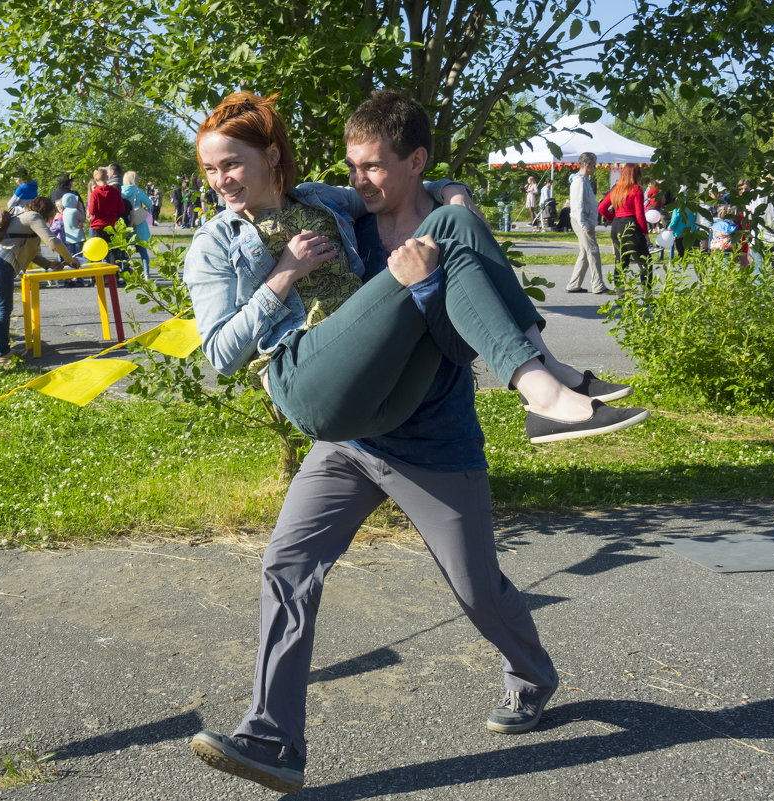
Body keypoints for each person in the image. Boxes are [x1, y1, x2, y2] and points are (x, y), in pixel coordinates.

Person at [187, 92, 644, 792]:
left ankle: (532, 673)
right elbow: (223, 350)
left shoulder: (340, 209)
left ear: (414, 164)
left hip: (431, 435)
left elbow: (453, 340)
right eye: (356, 168)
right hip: (349, 435)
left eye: (374, 168)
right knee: (287, 562)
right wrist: (286, 275)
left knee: (476, 588)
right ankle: (272, 737)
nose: (365, 181)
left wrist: (453, 206)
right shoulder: (329, 225)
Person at [0, 195, 78, 364]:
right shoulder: (33, 217)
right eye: (51, 216)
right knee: (3, 309)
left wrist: (48, 264)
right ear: (45, 212)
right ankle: (3, 353)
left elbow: (32, 253)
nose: (49, 221)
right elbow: (53, 241)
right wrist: (70, 259)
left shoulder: (20, 217)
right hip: (0, 263)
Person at [598, 164, 651, 288]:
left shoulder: (616, 189)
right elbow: (639, 215)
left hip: (616, 226)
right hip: (631, 226)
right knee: (645, 262)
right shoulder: (636, 189)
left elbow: (601, 208)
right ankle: (648, 296)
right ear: (636, 175)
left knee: (621, 262)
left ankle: (621, 296)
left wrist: (613, 219)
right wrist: (646, 233)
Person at [566, 152, 608, 294]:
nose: (595, 168)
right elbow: (577, 206)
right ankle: (598, 285)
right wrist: (585, 225)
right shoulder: (579, 182)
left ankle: (574, 284)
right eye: (594, 165)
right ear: (588, 165)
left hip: (585, 220)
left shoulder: (584, 181)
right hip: (582, 221)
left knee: (585, 252)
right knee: (593, 251)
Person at [87, 167, 125, 263]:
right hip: (111, 225)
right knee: (112, 252)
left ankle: (96, 277)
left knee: (96, 252)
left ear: (96, 179)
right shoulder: (115, 192)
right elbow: (121, 209)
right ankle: (112, 276)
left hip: (98, 226)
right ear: (107, 178)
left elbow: (92, 211)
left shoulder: (95, 193)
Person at [121, 170, 154, 278]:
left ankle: (127, 272)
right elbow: (150, 204)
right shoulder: (138, 192)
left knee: (127, 253)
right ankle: (146, 274)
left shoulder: (119, 192)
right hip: (139, 224)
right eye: (136, 178)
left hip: (126, 224)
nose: (138, 180)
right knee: (143, 253)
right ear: (133, 180)